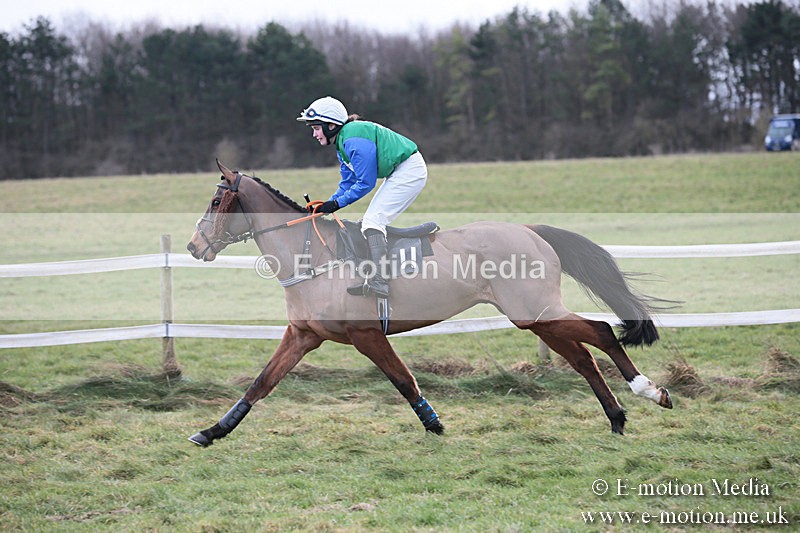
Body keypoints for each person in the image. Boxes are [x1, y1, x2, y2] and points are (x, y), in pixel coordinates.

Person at [297, 96, 428, 298]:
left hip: (409, 170)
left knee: (373, 222)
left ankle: (380, 282)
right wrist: (327, 204)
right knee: (368, 223)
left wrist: (336, 204)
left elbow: (366, 183)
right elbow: (348, 182)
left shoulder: (352, 140)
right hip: (399, 171)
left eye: (316, 128)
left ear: (331, 125)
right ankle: (372, 275)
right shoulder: (343, 142)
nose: (314, 134)